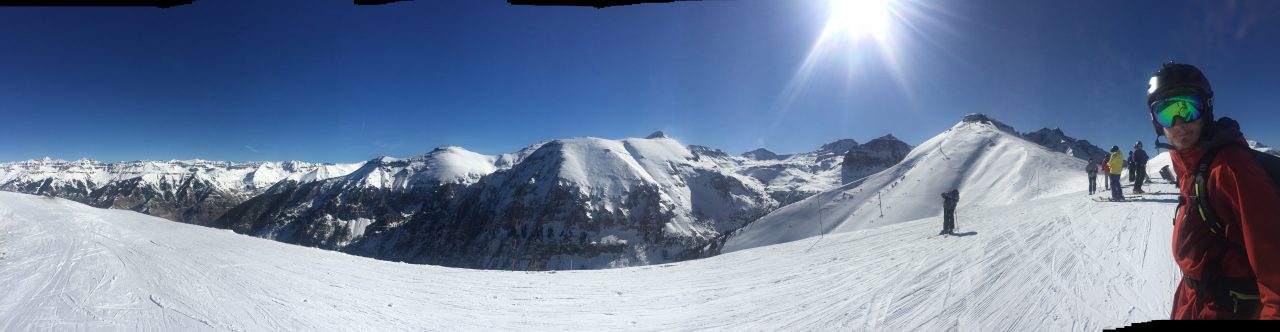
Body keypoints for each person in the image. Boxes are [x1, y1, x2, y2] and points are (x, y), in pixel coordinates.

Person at [1148, 62, 1280, 319]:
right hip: (1197, 304)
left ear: (1206, 109)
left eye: (1188, 109)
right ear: (1155, 122)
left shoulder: (1230, 169)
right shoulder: (1192, 166)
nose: (1178, 123)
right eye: (1166, 113)